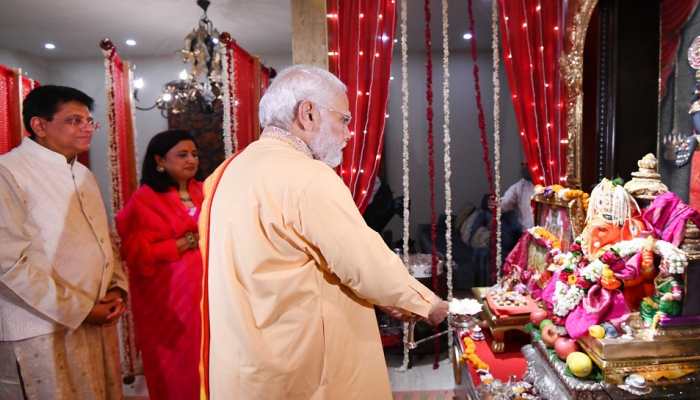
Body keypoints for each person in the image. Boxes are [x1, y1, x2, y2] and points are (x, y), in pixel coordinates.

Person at [200, 65, 449, 399]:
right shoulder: (306, 176)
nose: (348, 134)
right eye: (344, 120)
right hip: (305, 368)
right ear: (308, 113)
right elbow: (363, 263)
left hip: (246, 365)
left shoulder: (225, 173)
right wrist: (426, 304)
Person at [0, 85, 127, 399]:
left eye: (88, 120)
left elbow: (104, 239)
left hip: (95, 318)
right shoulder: (9, 172)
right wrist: (82, 310)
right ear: (39, 126)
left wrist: (115, 287)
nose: (86, 128)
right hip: (40, 327)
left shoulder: (82, 173)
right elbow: (8, 265)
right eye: (74, 120)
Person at [115, 130, 203, 400]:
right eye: (182, 154)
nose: (191, 160)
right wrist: (183, 244)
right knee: (174, 366)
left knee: (208, 358)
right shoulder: (145, 200)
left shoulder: (206, 190)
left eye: (194, 154)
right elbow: (133, 252)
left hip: (207, 293)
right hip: (166, 298)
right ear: (160, 161)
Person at [501, 162, 535, 229]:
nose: (524, 167)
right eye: (522, 164)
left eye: (527, 164)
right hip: (524, 230)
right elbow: (505, 203)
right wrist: (494, 203)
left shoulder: (548, 183)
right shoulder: (520, 185)